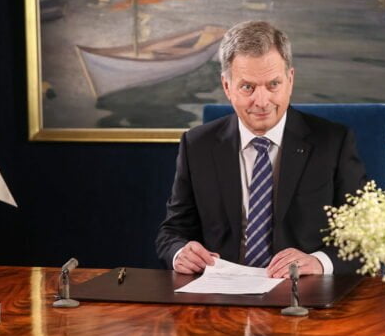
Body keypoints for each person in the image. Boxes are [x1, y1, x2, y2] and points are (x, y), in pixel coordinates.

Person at [156, 21, 367, 278]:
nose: (262, 101)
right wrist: (180, 253)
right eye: (248, 87)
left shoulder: (333, 143)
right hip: (222, 290)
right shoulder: (197, 145)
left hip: (302, 290)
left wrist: (319, 262)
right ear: (227, 87)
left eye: (273, 84)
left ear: (290, 80)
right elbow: (172, 232)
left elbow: (365, 237)